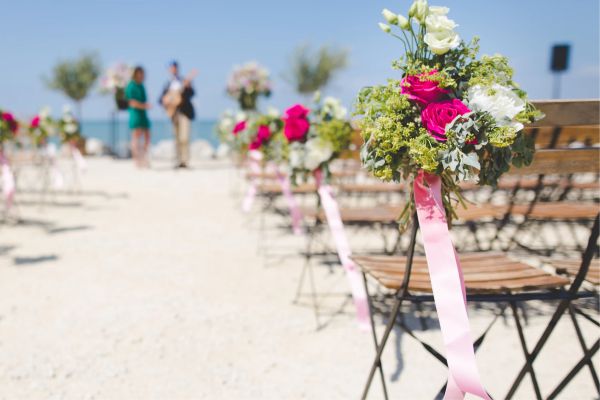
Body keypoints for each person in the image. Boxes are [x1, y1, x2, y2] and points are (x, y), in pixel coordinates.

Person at [159, 61, 197, 168]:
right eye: (171, 68)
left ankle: (185, 161)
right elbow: (161, 99)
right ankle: (178, 160)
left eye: (174, 68)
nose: (173, 70)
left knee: (184, 137)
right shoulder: (168, 84)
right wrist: (165, 102)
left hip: (185, 112)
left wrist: (187, 87)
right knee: (176, 137)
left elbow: (192, 93)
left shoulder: (184, 81)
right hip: (173, 113)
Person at [125, 66, 151, 168]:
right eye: (139, 73)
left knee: (147, 136)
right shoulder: (131, 86)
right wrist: (144, 106)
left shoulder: (141, 85)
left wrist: (144, 106)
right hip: (135, 113)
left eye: (142, 73)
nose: (141, 75)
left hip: (143, 114)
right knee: (136, 137)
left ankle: (143, 157)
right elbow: (131, 102)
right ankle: (137, 160)